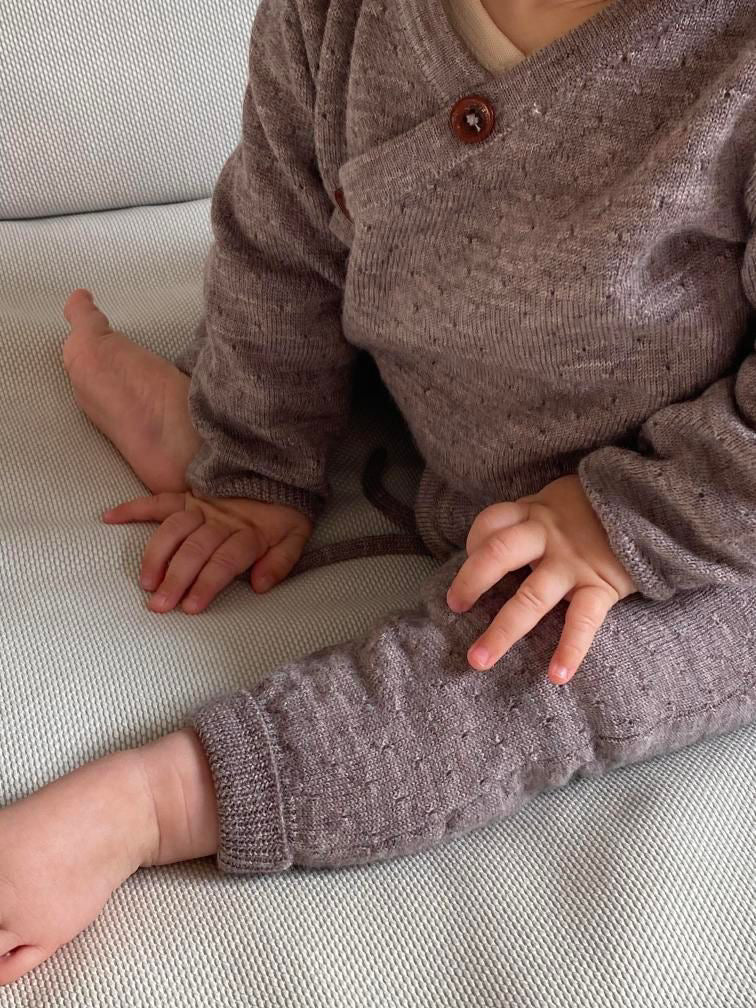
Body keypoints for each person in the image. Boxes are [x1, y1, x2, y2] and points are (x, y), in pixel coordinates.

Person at [2, 0, 756, 986]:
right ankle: (217, 422)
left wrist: (624, 522)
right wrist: (255, 463)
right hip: (444, 387)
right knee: (286, 320)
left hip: (709, 506)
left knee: (552, 673)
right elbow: (283, 241)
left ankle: (160, 801)